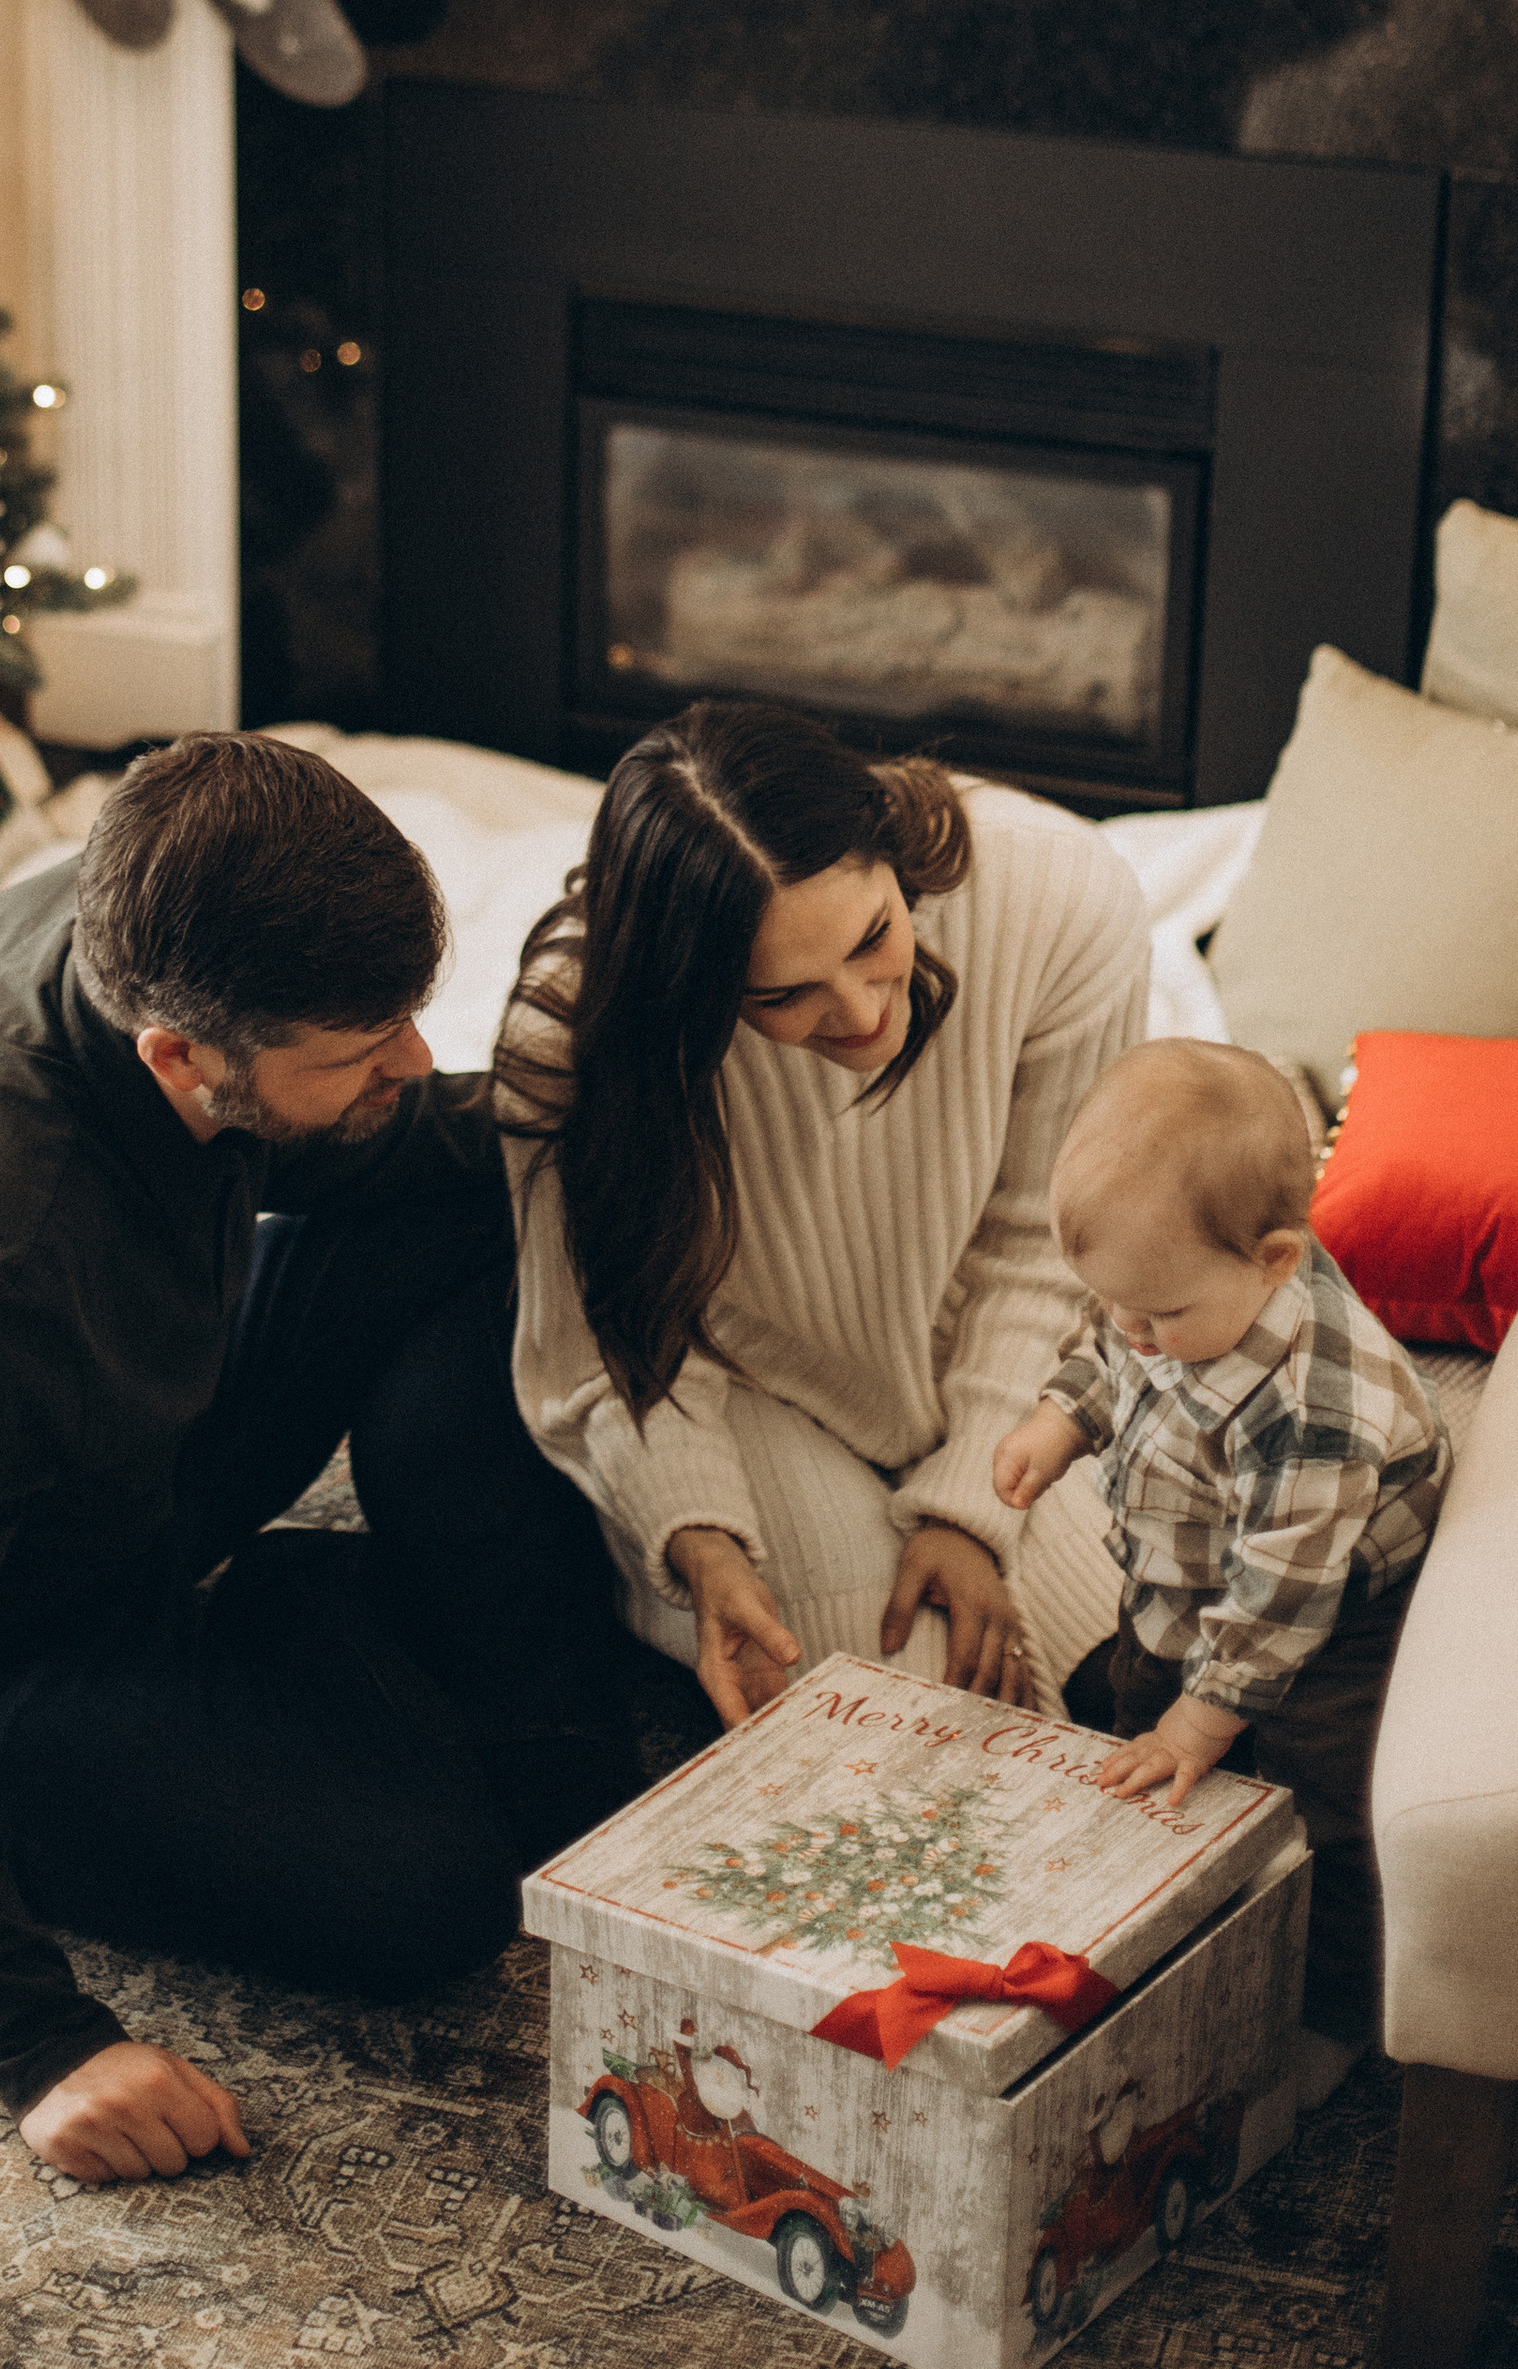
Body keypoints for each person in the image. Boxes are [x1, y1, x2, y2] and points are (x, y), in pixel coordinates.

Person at [0, 732, 634, 2188]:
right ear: (180, 1052)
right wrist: (40, 2047)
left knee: (484, 1191)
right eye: (364, 1045)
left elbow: (329, 1137)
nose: (409, 1060)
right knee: (430, 1901)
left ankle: (485, 1710)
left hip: (83, 1477)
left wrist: (562, 1119)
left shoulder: (138, 915)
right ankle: (325, 1641)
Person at [496, 697, 1149, 1732]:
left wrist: (971, 1511)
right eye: (780, 997)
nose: (856, 1014)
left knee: (1164, 1671)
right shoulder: (571, 1032)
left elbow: (1048, 1246)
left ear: (892, 855)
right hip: (747, 1391)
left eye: (873, 939)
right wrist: (699, 1541)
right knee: (903, 1715)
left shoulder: (1061, 898)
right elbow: (603, 1347)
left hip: (1008, 1377)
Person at [993, 1036, 1449, 2055]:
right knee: (1137, 1732)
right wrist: (1061, 1419)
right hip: (1184, 1564)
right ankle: (1156, 1934)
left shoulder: (1316, 1409)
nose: (1130, 1330)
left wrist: (1204, 1725)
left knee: (1310, 1797)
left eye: (1156, 1312)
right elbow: (1108, 1346)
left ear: (1276, 1260)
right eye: (1115, 1301)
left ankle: (1329, 2015)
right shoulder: (1169, 1288)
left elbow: (1280, 1599)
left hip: (1331, 1613)